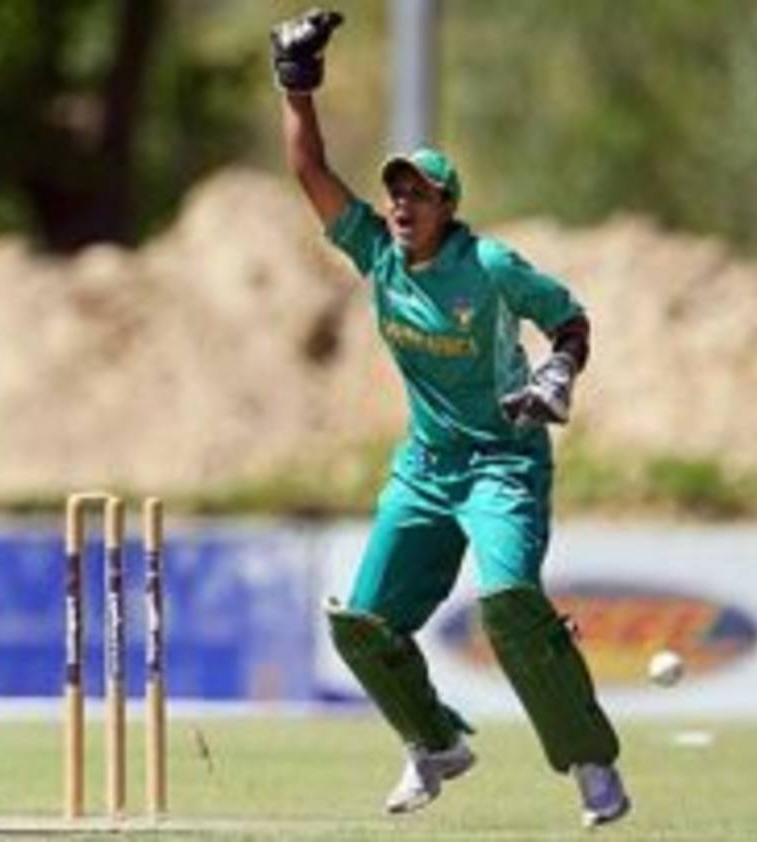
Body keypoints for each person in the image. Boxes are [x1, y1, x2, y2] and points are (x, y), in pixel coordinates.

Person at [270, 9, 630, 828]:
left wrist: (558, 371)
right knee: (362, 626)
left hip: (505, 462)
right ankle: (434, 745)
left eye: (418, 193)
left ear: (448, 206)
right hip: (426, 468)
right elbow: (309, 168)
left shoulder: (489, 264)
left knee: (508, 605)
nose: (399, 202)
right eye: (395, 188)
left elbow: (570, 320)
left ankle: (589, 762)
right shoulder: (375, 252)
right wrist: (296, 84)